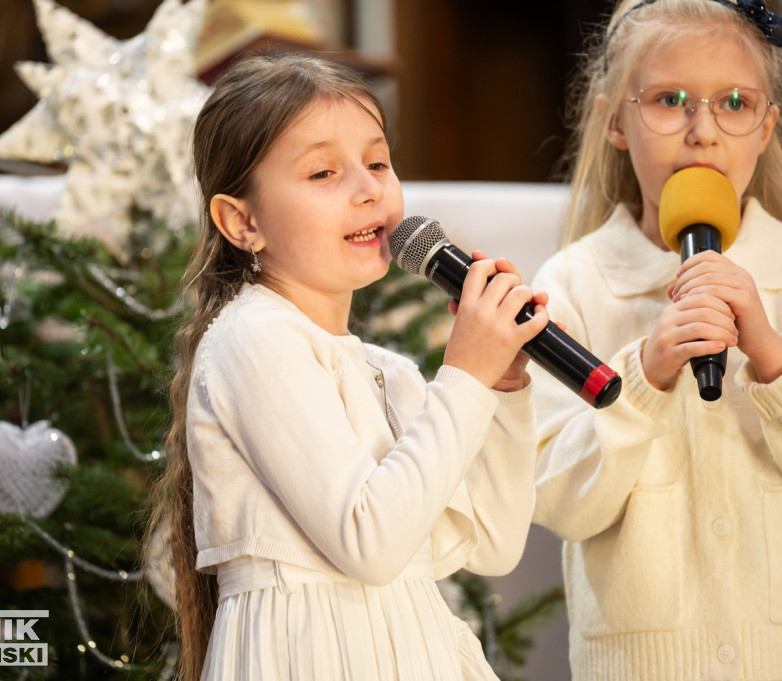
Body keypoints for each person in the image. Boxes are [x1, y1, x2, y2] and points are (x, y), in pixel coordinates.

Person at [146, 51, 549, 681]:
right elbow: (371, 542)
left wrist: (500, 383)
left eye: (379, 162)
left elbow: (493, 542)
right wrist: (465, 376)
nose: (368, 190)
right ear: (242, 221)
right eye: (325, 172)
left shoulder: (387, 370)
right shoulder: (251, 339)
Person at [529, 0, 782, 678]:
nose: (702, 130)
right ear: (615, 121)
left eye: (734, 102)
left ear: (765, 127)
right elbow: (559, 498)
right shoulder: (574, 285)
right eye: (670, 100)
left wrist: (774, 358)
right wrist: (643, 377)